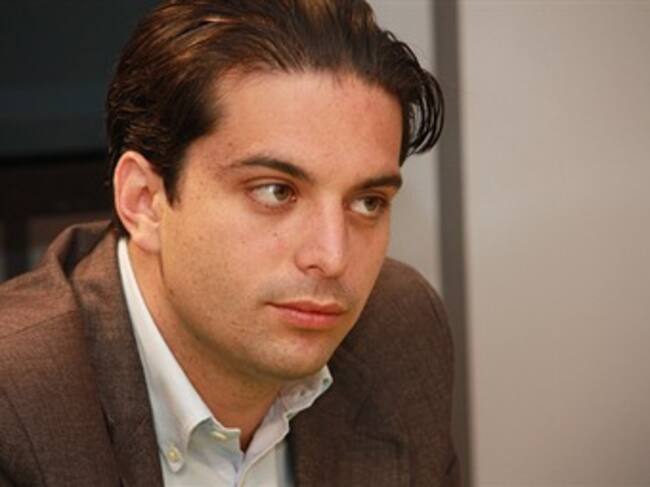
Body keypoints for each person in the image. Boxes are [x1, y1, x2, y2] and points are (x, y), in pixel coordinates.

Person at [0, 0, 458, 485]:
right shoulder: (15, 406)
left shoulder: (399, 329)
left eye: (367, 202)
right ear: (144, 200)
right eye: (275, 192)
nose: (332, 257)